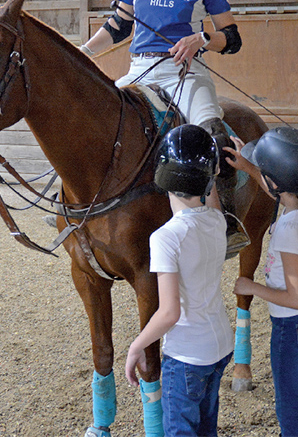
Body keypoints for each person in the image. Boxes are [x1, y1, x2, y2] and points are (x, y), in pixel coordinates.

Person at [80, 0, 249, 256]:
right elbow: (118, 24)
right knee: (94, 120)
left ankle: (228, 224)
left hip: (186, 74)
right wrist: (84, 52)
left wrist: (201, 39)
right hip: (140, 69)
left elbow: (232, 38)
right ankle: (80, 207)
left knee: (214, 136)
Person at [124, 124, 233, 437]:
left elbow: (169, 313)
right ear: (210, 178)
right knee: (206, 428)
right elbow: (209, 194)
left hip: (187, 355)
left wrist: (137, 346)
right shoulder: (217, 219)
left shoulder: (165, 238)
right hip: (220, 345)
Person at [223, 127, 298, 437]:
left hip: (292, 323)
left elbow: (294, 298)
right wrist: (249, 167)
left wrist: (250, 286)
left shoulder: (286, 230)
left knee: (286, 402)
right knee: (290, 393)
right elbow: (279, 192)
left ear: (276, 181)